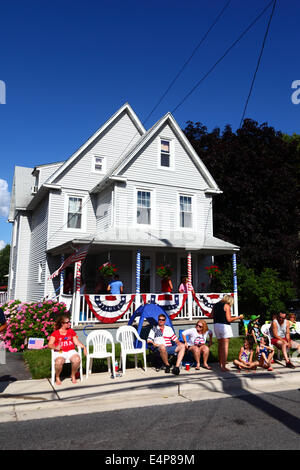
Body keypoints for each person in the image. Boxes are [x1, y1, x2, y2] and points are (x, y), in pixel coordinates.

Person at [48, 314, 87, 385]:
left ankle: (73, 375)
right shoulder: (55, 333)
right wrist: (56, 347)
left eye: (70, 322)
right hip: (60, 351)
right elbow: (49, 344)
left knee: (77, 359)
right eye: (67, 322)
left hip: (71, 350)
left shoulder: (71, 331)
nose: (69, 323)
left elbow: (76, 342)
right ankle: (57, 377)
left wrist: (84, 347)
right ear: (62, 324)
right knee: (59, 361)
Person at [212, 294, 244, 372]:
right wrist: (238, 317)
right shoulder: (226, 306)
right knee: (225, 347)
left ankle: (221, 363)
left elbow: (211, 315)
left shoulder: (215, 305)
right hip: (224, 326)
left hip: (216, 325)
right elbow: (229, 319)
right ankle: (223, 366)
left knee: (220, 346)